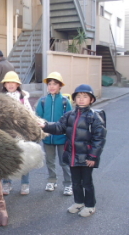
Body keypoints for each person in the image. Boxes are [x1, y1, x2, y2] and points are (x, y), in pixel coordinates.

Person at [39, 84, 107, 217]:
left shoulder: (94, 117)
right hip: (72, 155)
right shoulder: (69, 115)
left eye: (85, 96)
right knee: (75, 182)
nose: (81, 99)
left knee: (86, 182)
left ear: (91, 100)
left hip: (87, 157)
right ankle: (79, 202)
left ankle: (90, 205)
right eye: (78, 96)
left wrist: (93, 157)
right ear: (74, 99)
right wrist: (45, 126)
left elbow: (99, 139)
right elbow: (59, 127)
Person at [35, 72, 73, 195]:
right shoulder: (42, 101)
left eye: (55, 84)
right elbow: (38, 118)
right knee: (50, 161)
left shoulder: (65, 101)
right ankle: (52, 180)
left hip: (62, 138)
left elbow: (70, 120)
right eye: (49, 84)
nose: (51, 86)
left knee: (64, 162)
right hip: (47, 137)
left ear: (60, 86)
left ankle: (68, 184)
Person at [0, 71, 32, 195]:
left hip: (21, 132)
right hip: (6, 133)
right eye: (8, 82)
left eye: (13, 82)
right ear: (4, 85)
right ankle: (6, 183)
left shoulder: (23, 98)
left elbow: (30, 113)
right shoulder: (1, 98)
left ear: (18, 84)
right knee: (6, 158)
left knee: (23, 158)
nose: (10, 84)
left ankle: (25, 184)